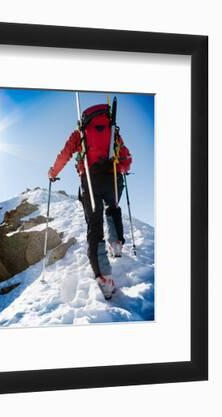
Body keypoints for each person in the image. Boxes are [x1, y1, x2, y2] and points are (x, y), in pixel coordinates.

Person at [48, 103, 132, 299]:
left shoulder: (80, 133)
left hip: (90, 181)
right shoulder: (113, 130)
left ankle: (104, 277)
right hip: (113, 179)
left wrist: (53, 173)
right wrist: (123, 169)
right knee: (113, 208)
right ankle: (117, 242)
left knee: (95, 225)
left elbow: (65, 154)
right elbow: (126, 157)